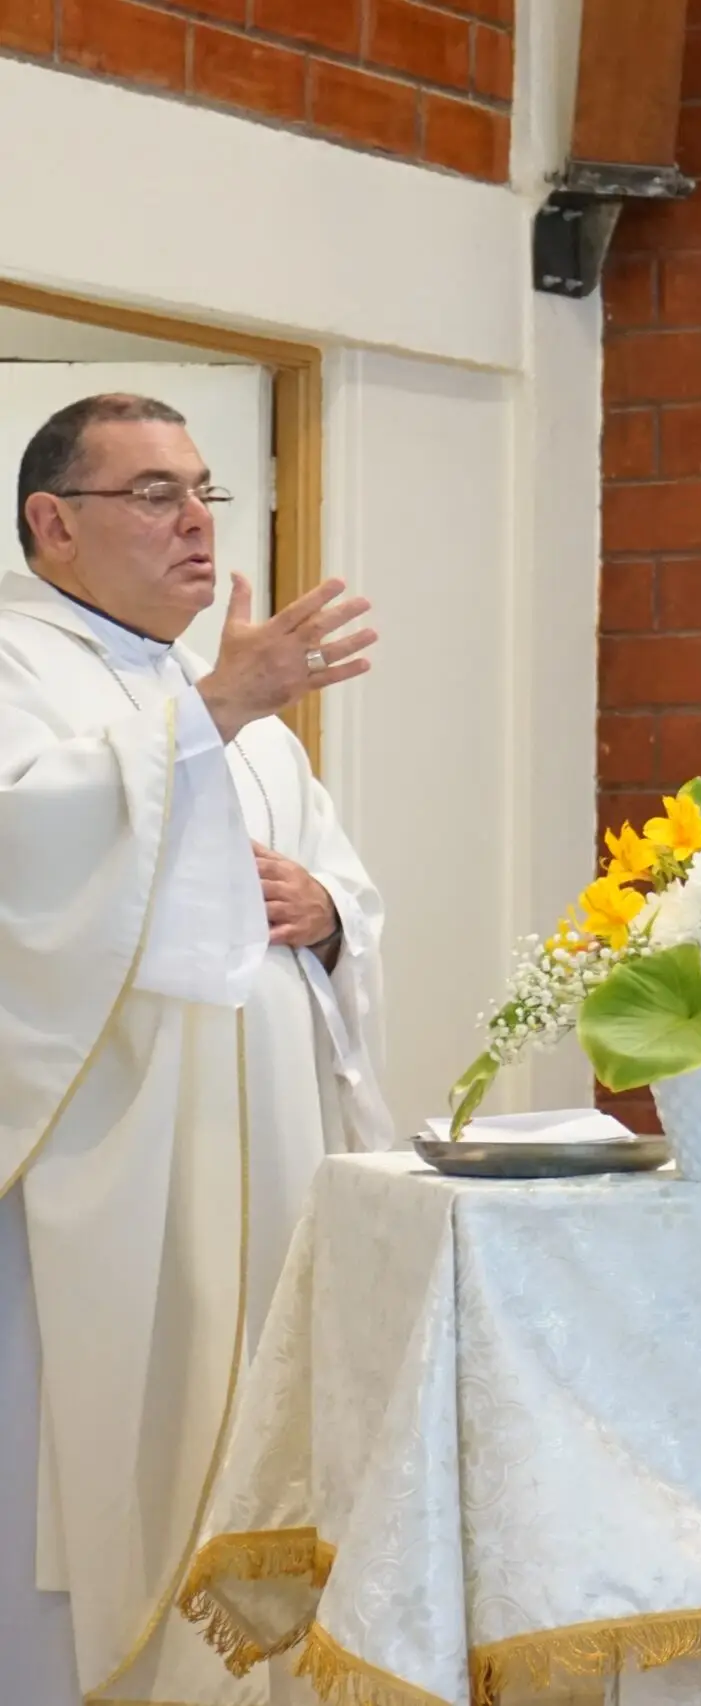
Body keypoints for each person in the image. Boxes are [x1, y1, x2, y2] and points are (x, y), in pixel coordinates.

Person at [0, 394, 390, 1706]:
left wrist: (328, 916)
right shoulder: (19, 665)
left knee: (268, 1438)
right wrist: (218, 702)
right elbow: (20, 851)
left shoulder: (240, 710)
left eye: (204, 492)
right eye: (155, 493)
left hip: (270, 1154)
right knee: (109, 1462)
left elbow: (341, 886)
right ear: (54, 522)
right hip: (107, 1181)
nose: (197, 525)